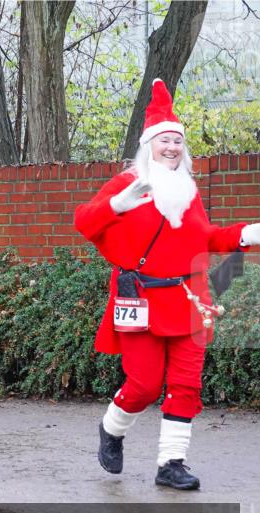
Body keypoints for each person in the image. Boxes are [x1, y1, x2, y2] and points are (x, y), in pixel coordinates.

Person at [74, 79, 259, 490]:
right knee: (143, 383)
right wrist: (117, 205)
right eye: (165, 141)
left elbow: (206, 240)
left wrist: (247, 234)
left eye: (177, 140)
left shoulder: (189, 192)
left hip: (188, 300)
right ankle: (112, 429)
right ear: (149, 146)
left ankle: (171, 463)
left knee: (187, 384)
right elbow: (84, 221)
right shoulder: (127, 183)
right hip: (139, 298)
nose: (172, 147)